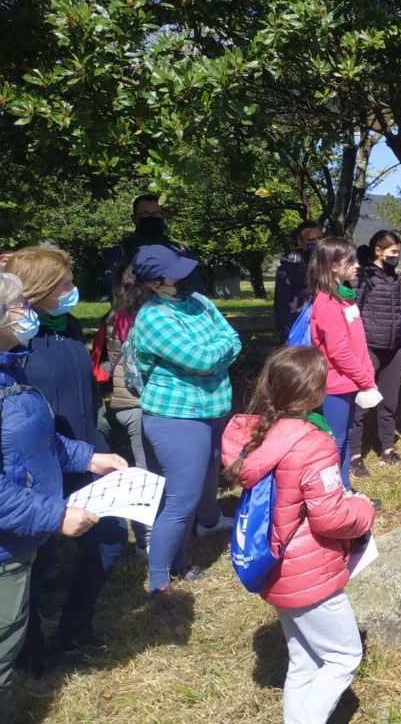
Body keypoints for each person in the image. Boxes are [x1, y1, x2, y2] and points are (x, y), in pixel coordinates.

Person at [221, 345, 375, 724]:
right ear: (316, 393)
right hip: (309, 572)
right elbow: (330, 518)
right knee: (343, 656)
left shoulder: (261, 433)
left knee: (305, 658)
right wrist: (364, 509)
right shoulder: (313, 443)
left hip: (276, 566)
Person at [0, 273, 125, 719]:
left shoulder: (10, 367)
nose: (25, 314)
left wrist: (89, 458)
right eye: (17, 306)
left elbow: (38, 438)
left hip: (24, 536)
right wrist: (56, 516)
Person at [130, 245, 241, 598]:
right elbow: (200, 359)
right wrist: (219, 352)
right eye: (176, 271)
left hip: (212, 411)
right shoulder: (153, 316)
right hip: (176, 418)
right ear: (154, 281)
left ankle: (177, 564)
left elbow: (234, 340)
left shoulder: (200, 303)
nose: (186, 275)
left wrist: (218, 352)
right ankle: (159, 582)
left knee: (190, 495)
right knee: (180, 499)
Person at [307, 238, 376, 491]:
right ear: (333, 266)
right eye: (351, 261)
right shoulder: (326, 304)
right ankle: (333, 494)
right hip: (336, 384)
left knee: (346, 438)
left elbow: (358, 343)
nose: (358, 265)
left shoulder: (346, 298)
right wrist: (365, 379)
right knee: (335, 442)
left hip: (351, 380)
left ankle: (344, 488)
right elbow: (339, 352)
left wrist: (366, 372)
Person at [104, 265, 156, 551]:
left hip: (125, 402)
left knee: (147, 466)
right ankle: (144, 538)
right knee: (146, 470)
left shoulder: (115, 314)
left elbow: (112, 360)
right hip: (139, 402)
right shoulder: (150, 315)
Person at [352, 230, 401, 471]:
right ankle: (354, 455)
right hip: (369, 349)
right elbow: (353, 314)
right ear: (378, 250)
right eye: (393, 252)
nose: (396, 256)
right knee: (361, 403)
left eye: (398, 252)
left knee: (389, 403)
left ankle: (388, 449)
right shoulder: (363, 278)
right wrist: (358, 351)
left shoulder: (395, 279)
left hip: (393, 350)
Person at [104, 194, 195, 296]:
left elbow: (194, 289)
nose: (150, 218)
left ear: (163, 217)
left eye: (156, 214)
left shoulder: (181, 250)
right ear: (133, 219)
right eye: (144, 214)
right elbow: (116, 293)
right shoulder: (120, 251)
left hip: (176, 308)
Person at [273, 221, 322, 340]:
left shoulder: (329, 263)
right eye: (311, 240)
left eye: (320, 239)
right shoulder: (290, 266)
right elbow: (281, 302)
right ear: (300, 242)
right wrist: (286, 332)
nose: (317, 244)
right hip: (300, 323)